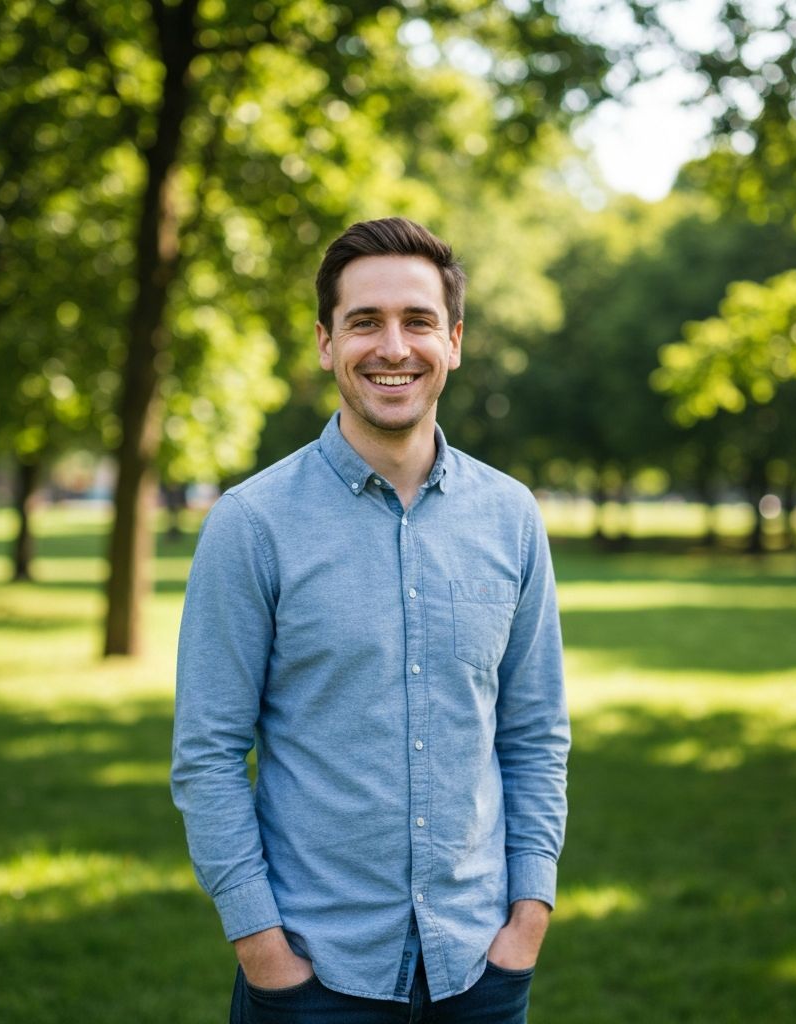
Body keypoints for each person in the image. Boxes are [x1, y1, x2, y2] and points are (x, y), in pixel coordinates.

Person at [171, 217, 569, 1023]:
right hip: (313, 980)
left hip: (480, 973)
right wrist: (263, 948)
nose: (394, 347)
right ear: (326, 343)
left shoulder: (511, 517)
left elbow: (534, 733)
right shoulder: (252, 524)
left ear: (453, 341)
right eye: (365, 322)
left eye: (418, 321)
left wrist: (528, 917)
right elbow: (208, 754)